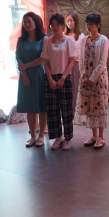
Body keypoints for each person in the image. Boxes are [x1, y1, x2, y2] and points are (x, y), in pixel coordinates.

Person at [42, 13, 78, 151]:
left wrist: (63, 78)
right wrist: (50, 78)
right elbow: (46, 62)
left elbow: (71, 61)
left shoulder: (69, 40)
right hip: (50, 78)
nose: (55, 27)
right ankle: (58, 137)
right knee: (53, 109)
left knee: (66, 109)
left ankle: (68, 138)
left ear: (62, 25)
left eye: (58, 24)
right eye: (53, 24)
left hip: (65, 77)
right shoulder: (47, 41)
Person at [74, 12, 109, 149]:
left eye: (92, 24)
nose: (89, 26)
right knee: (89, 106)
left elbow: (102, 62)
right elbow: (81, 60)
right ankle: (94, 135)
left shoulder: (103, 39)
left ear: (98, 25)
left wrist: (92, 78)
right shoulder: (83, 39)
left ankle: (101, 137)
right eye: (88, 23)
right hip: (86, 78)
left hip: (99, 79)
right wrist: (84, 76)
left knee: (99, 107)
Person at [16, 12, 47, 147]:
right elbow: (18, 57)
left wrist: (25, 66)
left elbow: (42, 58)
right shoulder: (21, 40)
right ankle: (33, 136)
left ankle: (41, 135)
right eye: (25, 22)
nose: (27, 24)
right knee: (30, 107)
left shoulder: (44, 39)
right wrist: (24, 74)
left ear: (36, 22)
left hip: (40, 74)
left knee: (42, 106)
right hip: (25, 76)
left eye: (29, 21)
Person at [65, 11, 85, 116]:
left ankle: (76, 112)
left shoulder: (81, 36)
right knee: (67, 90)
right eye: (68, 20)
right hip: (65, 65)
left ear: (75, 21)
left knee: (76, 89)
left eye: (71, 20)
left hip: (76, 64)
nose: (69, 23)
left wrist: (72, 58)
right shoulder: (63, 35)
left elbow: (81, 52)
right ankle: (67, 112)